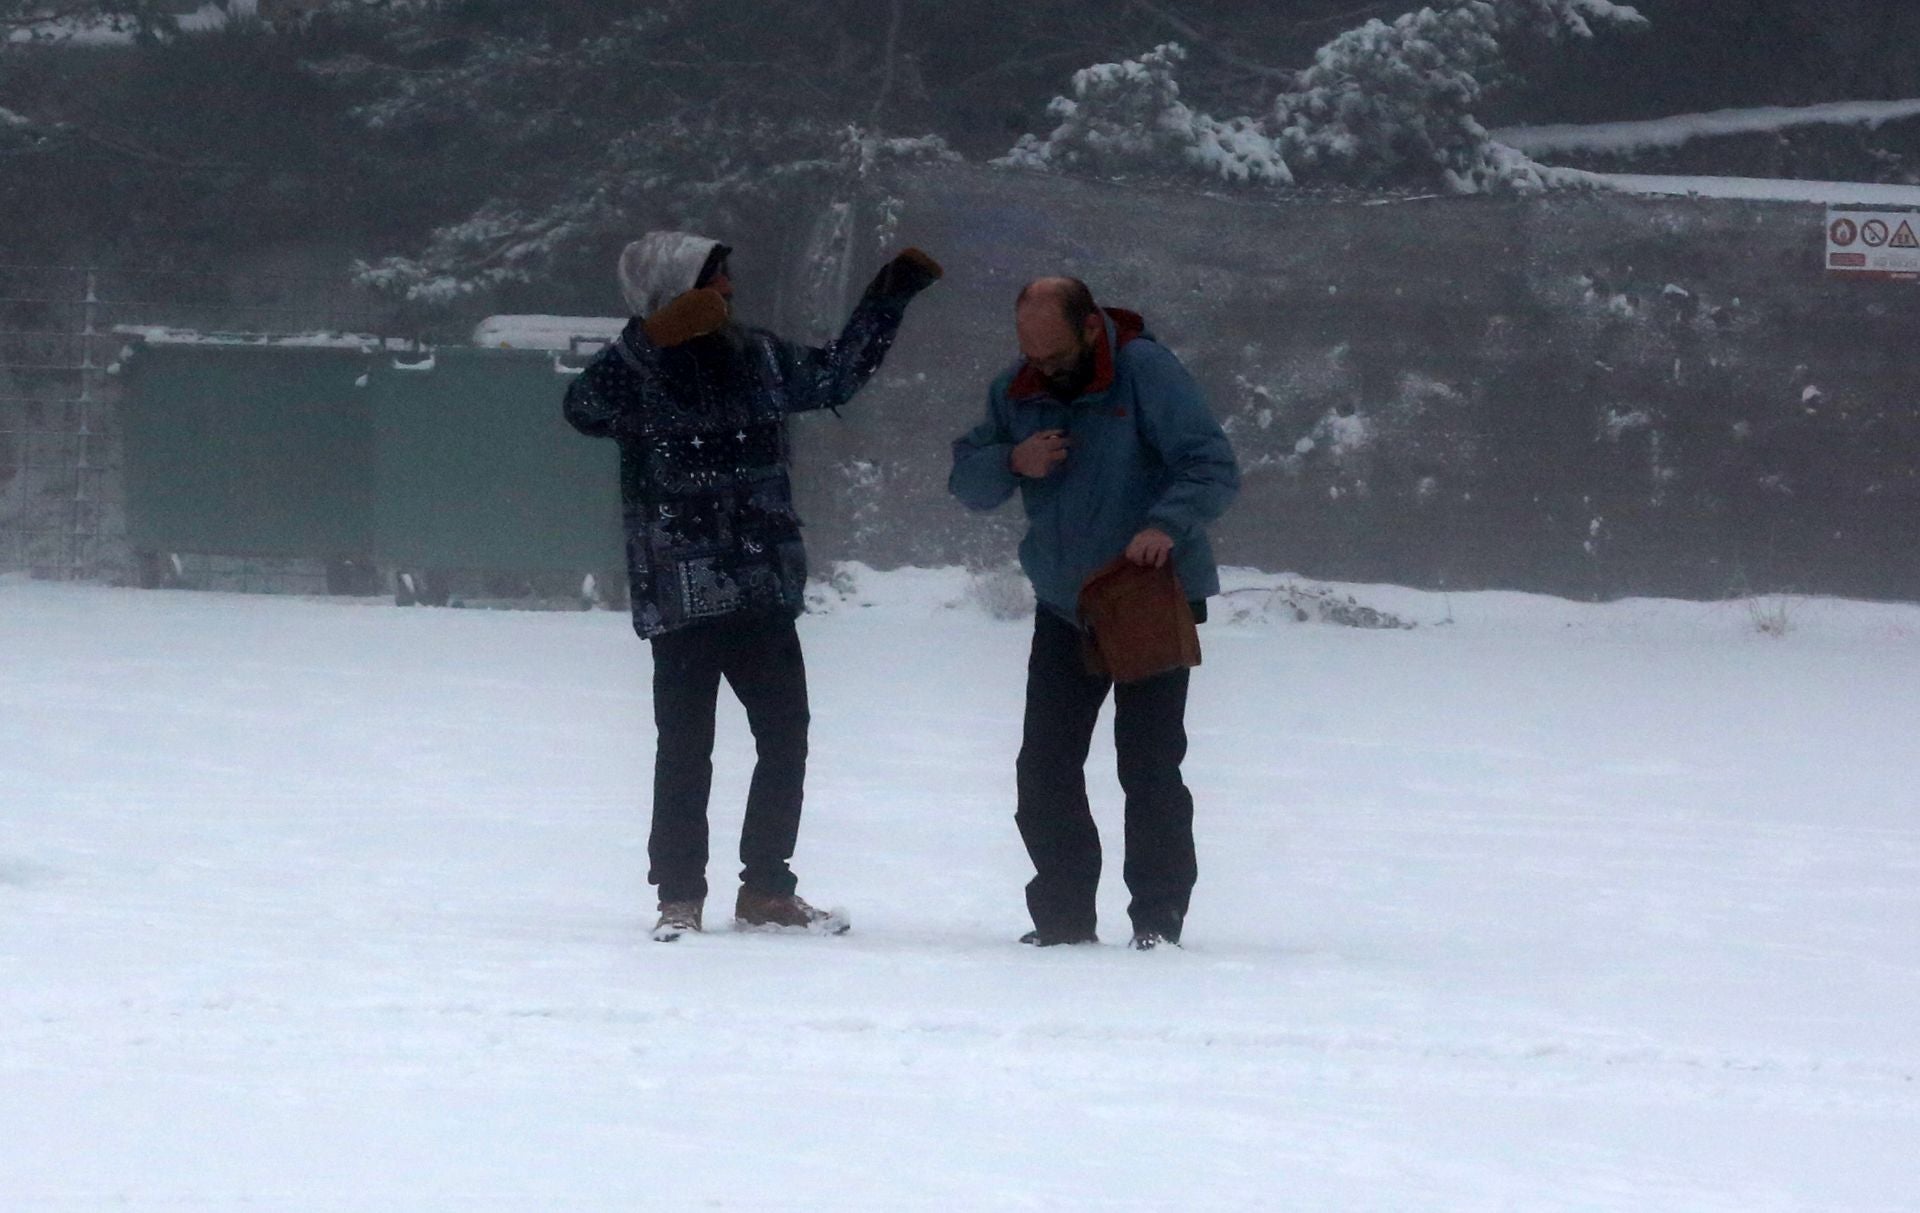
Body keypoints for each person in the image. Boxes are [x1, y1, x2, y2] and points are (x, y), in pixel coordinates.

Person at [565, 230, 941, 942]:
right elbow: (581, 409)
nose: (731, 289)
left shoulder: (758, 356)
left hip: (761, 581)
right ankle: (678, 895)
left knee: (784, 735)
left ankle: (766, 886)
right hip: (681, 587)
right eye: (716, 279)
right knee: (684, 744)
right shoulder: (636, 370)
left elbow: (835, 377)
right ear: (673, 294)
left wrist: (888, 296)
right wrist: (647, 342)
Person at [949, 277, 1238, 950]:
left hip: (1146, 595)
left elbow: (1212, 466)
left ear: (1089, 328)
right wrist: (1012, 460)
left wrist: (1166, 524)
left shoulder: (1146, 370)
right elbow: (967, 481)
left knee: (1148, 765)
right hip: (1065, 606)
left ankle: (1157, 920)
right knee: (1043, 768)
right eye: (1030, 355)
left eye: (1052, 355)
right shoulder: (1017, 388)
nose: (1040, 368)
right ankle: (1064, 918)